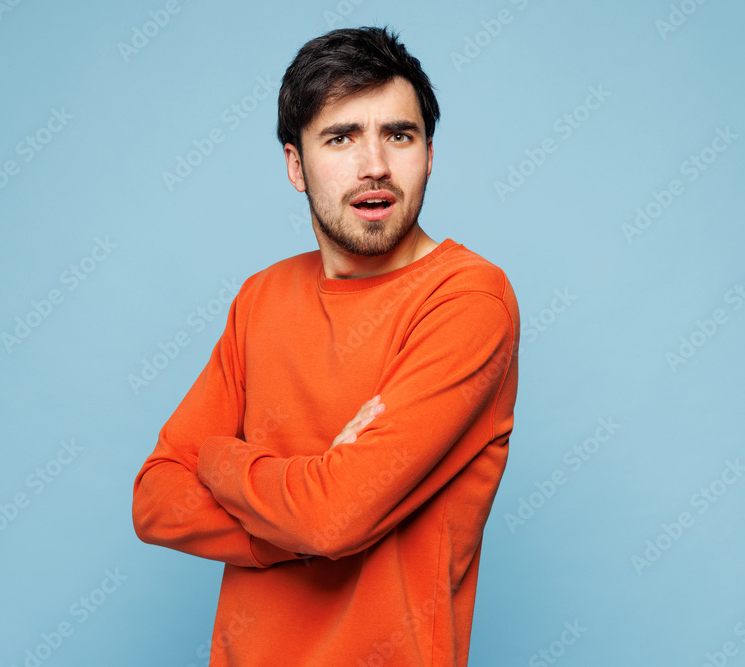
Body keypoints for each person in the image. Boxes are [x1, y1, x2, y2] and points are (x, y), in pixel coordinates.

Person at [133, 25, 519, 666]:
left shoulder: (467, 300)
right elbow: (154, 500)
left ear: (429, 154)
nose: (375, 165)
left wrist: (221, 460)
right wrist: (298, 521)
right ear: (296, 165)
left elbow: (334, 518)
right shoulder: (262, 297)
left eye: (400, 135)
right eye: (342, 137)